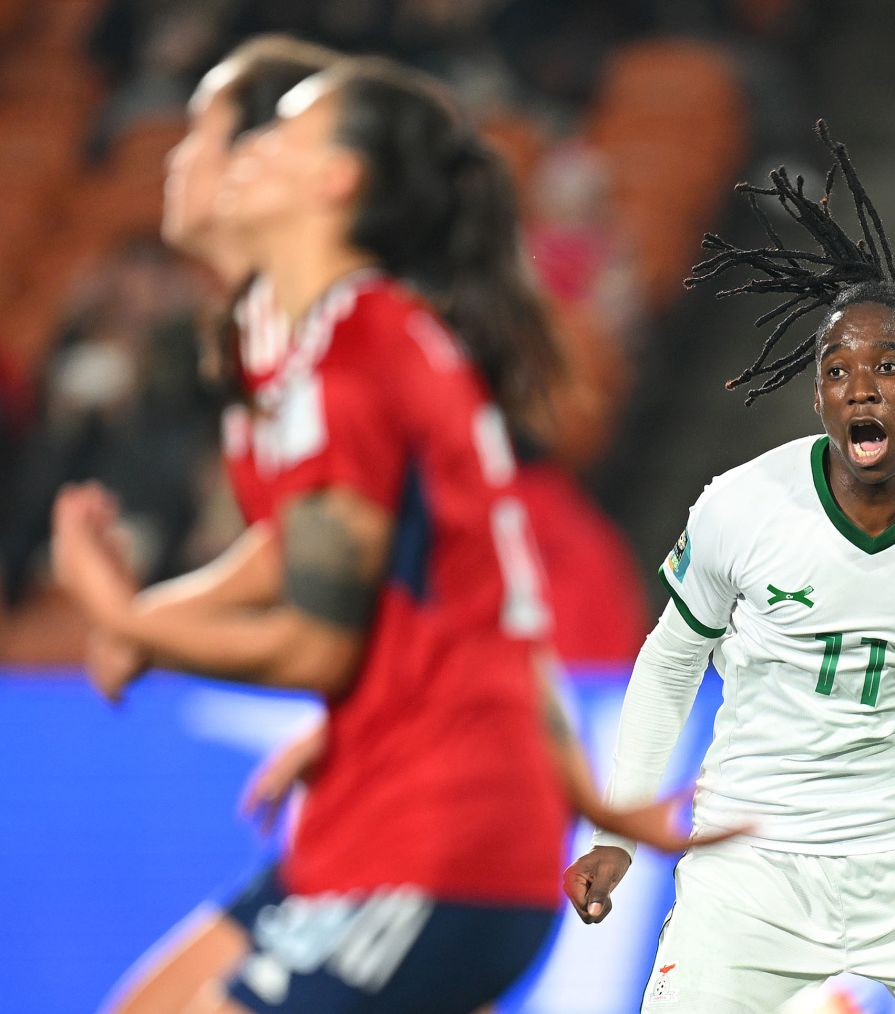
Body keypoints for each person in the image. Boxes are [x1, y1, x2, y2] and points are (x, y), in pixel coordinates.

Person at [52, 55, 713, 1014]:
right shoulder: (311, 340)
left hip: (436, 831)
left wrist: (121, 612)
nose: (212, 155)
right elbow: (378, 568)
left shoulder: (348, 356)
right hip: (408, 810)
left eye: (251, 130)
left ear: (335, 178)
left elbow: (326, 629)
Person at [560, 123, 895, 1013]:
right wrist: (619, 826)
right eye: (837, 371)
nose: (861, 387)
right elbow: (671, 663)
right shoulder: (743, 507)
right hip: (749, 871)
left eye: (888, 366)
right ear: (819, 397)